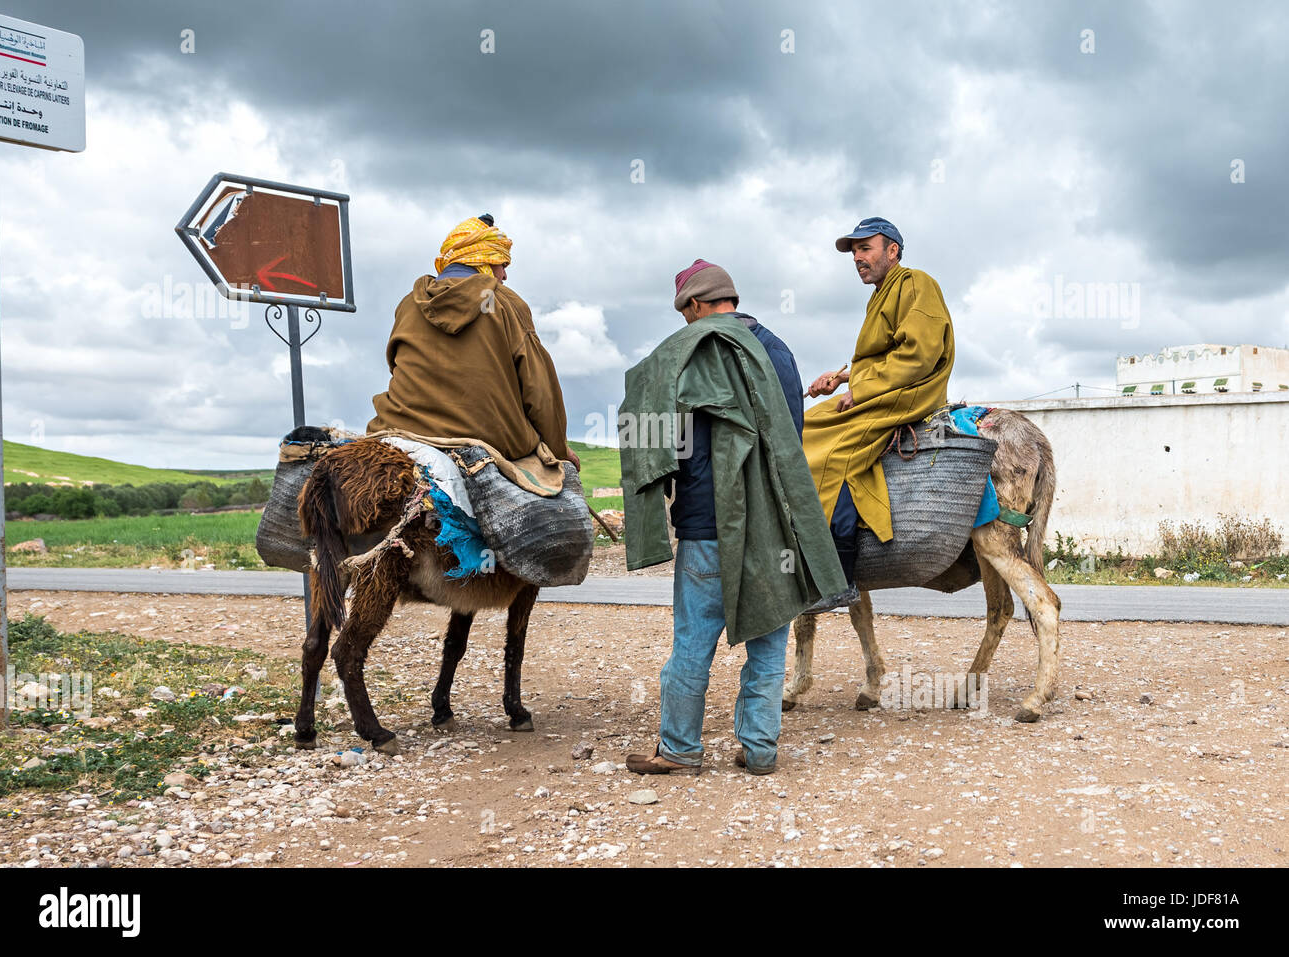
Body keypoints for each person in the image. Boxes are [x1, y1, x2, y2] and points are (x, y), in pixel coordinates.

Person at [622, 260, 847, 776]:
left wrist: (663, 484)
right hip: (776, 525)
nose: (687, 324)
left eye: (686, 313)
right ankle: (760, 749)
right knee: (770, 638)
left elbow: (652, 437)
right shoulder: (780, 353)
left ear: (697, 305)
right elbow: (788, 435)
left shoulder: (685, 353)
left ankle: (679, 749)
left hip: (705, 525)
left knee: (692, 643)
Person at [803, 218, 955, 579]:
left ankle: (836, 562)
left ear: (892, 251)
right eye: (854, 251)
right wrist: (841, 379)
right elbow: (882, 356)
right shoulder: (879, 296)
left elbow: (918, 355)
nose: (857, 257)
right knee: (806, 422)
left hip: (909, 395)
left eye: (865, 248)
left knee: (828, 447)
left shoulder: (916, 283)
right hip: (884, 390)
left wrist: (861, 390)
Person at [365, 215, 580, 470]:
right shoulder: (504, 302)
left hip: (398, 429)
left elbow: (395, 365)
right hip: (489, 438)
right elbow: (541, 393)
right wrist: (558, 451)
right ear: (484, 262)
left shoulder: (409, 303)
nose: (505, 275)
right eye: (502, 264)